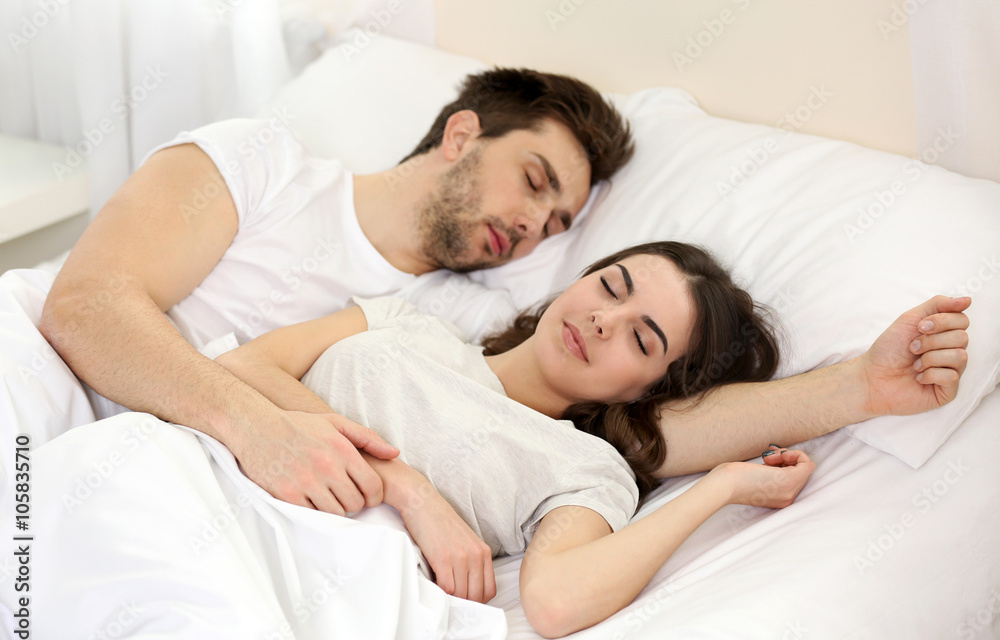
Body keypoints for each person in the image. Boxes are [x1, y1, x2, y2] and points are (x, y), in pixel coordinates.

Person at [213, 241, 970, 639]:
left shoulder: (584, 469)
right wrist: (405, 484)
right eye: (610, 287)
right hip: (203, 477)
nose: (605, 321)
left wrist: (722, 486)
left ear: (647, 390)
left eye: (642, 339)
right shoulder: (406, 322)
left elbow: (554, 600)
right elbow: (242, 369)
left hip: (287, 575)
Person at [38, 67, 635, 514]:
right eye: (534, 181)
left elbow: (638, 425)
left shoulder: (468, 323)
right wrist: (256, 429)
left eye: (557, 224)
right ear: (460, 136)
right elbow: (84, 308)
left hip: (154, 492)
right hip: (40, 386)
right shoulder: (266, 164)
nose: (535, 223)